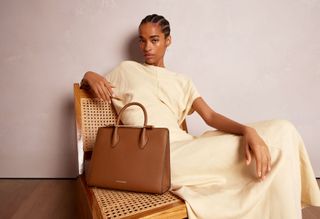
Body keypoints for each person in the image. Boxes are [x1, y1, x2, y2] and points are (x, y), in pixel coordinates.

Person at [81, 14, 320, 219]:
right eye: (142, 41)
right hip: (159, 158)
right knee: (273, 142)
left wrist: (249, 130)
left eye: (154, 40)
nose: (147, 47)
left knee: (283, 129)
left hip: (187, 146)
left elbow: (211, 117)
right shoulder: (126, 70)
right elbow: (89, 84)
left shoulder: (182, 81)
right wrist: (89, 75)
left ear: (168, 41)